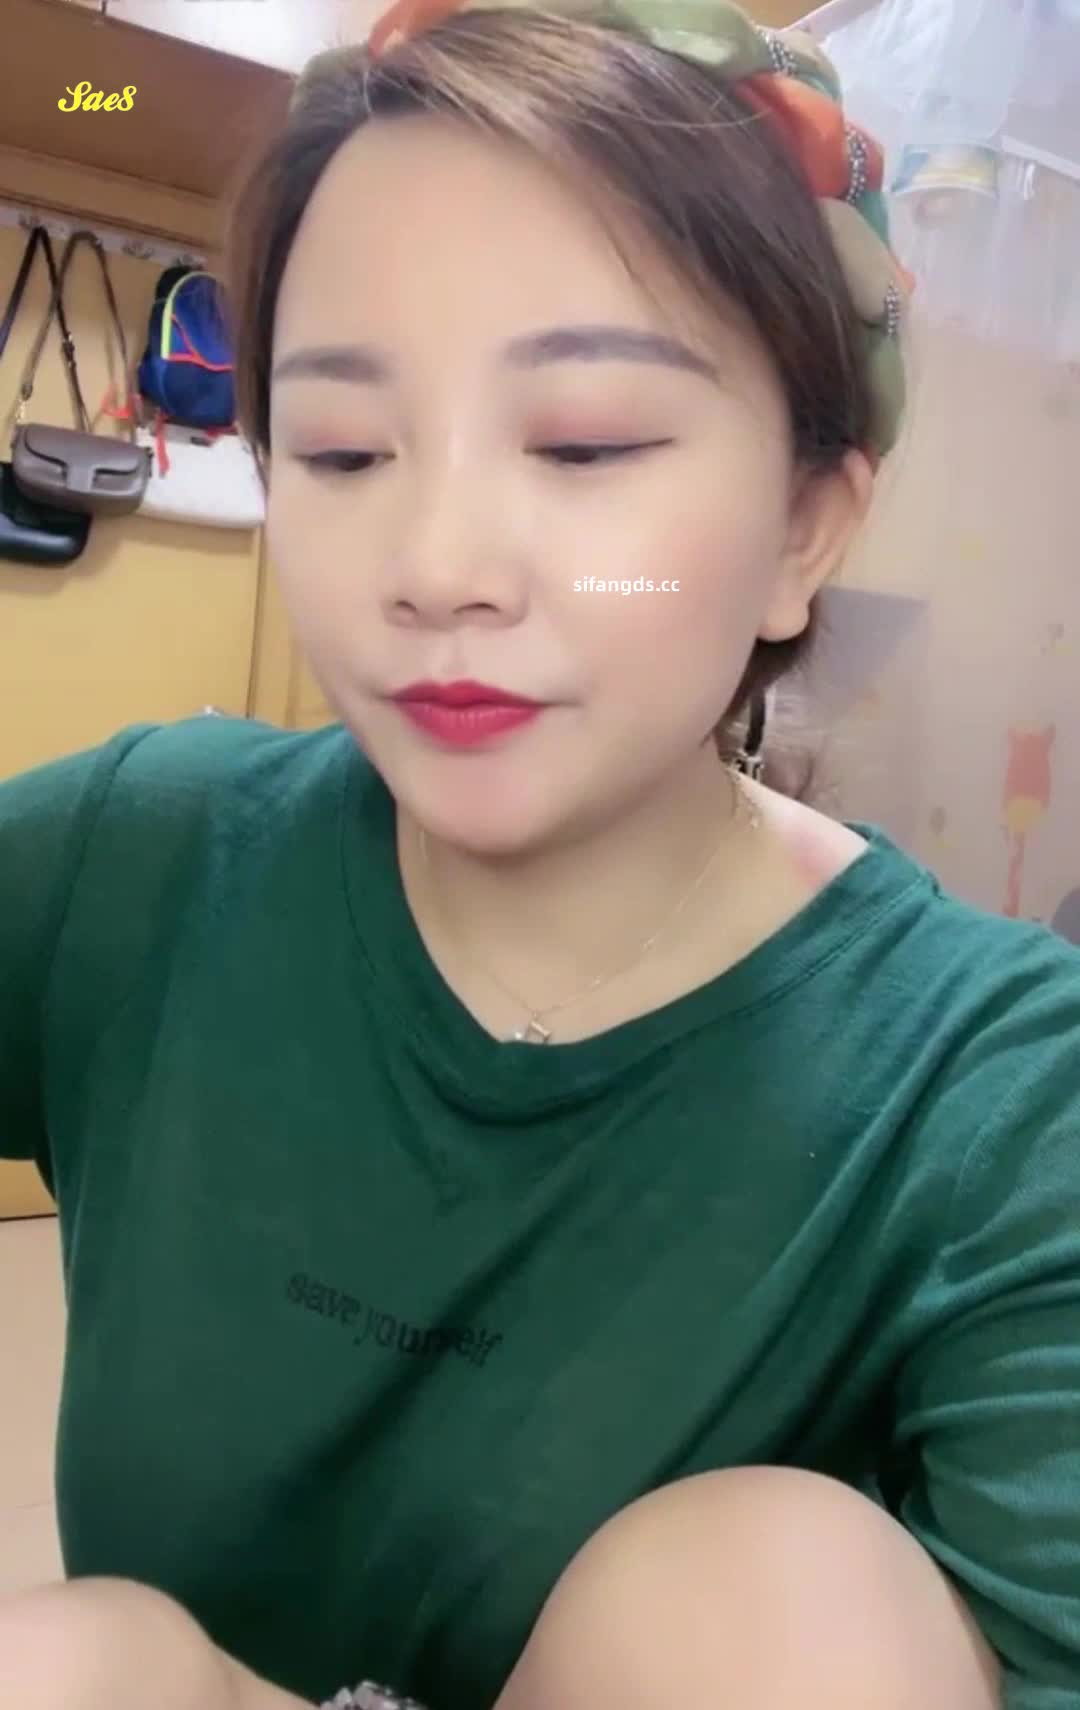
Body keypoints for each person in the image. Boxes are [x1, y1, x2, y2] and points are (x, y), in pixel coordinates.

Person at [1, 1, 1078, 1707]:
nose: (436, 564)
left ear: (806, 528)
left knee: (783, 1612)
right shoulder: (149, 852)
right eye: (345, 451)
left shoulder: (1004, 1100)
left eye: (582, 444)